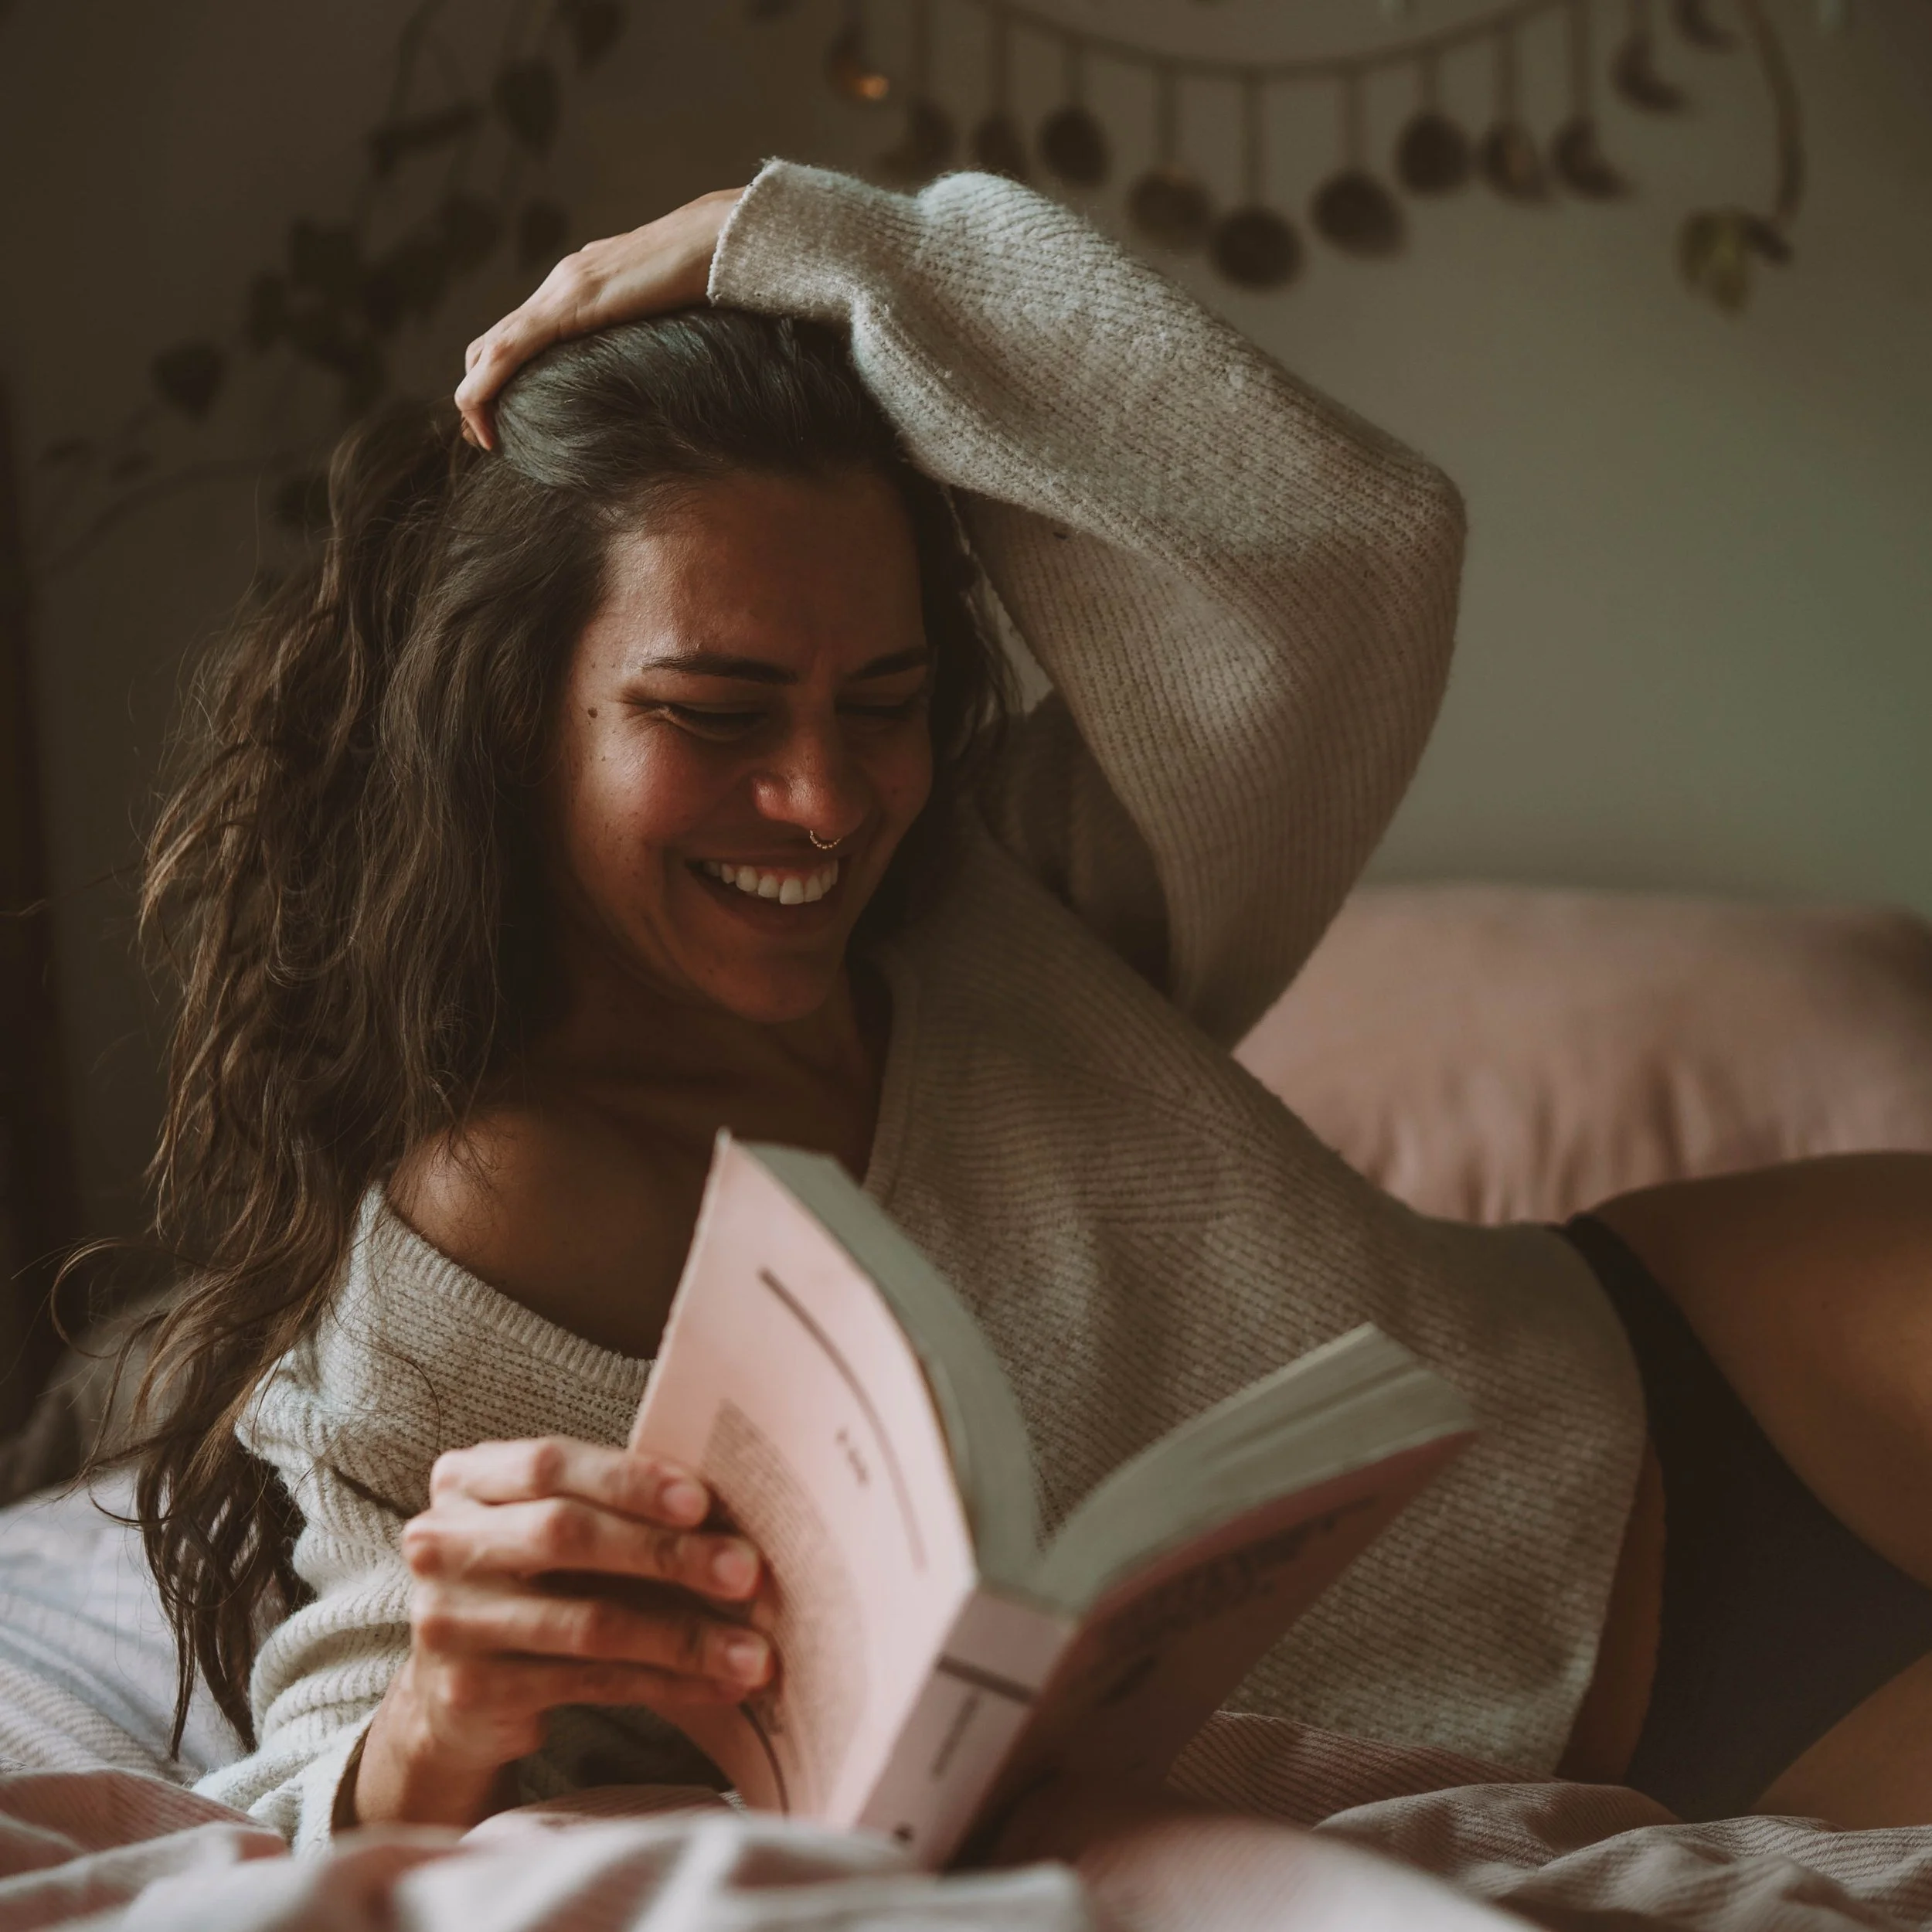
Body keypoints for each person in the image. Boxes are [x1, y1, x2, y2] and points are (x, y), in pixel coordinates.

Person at [113, 162, 1932, 1853]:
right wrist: (436, 1710)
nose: (827, 802)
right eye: (717, 712)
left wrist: (813, 245)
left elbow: (1340, 552)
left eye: (885, 697)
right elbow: (329, 1775)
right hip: (1667, 1732)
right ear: (512, 718)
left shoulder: (1001, 890)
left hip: (1695, 1341)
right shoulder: (492, 1207)